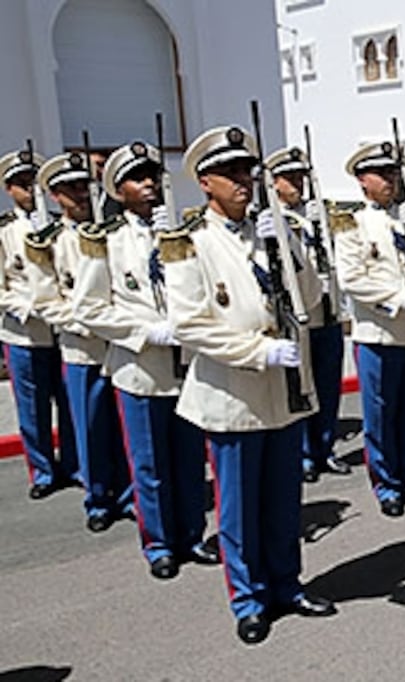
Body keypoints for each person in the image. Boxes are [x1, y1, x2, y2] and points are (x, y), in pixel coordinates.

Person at [162, 125, 336, 645]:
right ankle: (249, 598)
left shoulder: (274, 230)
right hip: (233, 394)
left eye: (247, 170)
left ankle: (287, 585)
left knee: (283, 500)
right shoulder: (186, 241)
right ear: (204, 182)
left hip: (283, 391)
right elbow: (189, 324)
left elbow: (306, 302)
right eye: (231, 173)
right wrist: (256, 351)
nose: (244, 180)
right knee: (238, 505)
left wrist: (286, 249)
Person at [74, 142, 216, 579]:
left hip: (187, 367)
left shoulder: (182, 234)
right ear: (118, 190)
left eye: (154, 175)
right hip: (142, 371)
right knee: (151, 464)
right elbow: (89, 308)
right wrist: (143, 332)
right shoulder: (107, 243)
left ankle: (192, 535)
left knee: (189, 460)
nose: (150, 184)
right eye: (138, 178)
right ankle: (159, 544)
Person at [334, 141, 405, 517]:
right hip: (380, 333)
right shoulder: (351, 222)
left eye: (393, 173)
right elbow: (351, 278)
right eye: (381, 174)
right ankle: (387, 485)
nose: (390, 180)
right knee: (382, 415)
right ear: (361, 181)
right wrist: (397, 297)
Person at [27, 152, 131, 530]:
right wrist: (86, 322)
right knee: (89, 428)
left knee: (121, 428)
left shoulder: (113, 232)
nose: (80, 194)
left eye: (83, 186)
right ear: (54, 195)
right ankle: (98, 499)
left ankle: (127, 493)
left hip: (120, 347)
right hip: (82, 347)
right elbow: (44, 302)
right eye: (70, 188)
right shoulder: (49, 241)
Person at [263, 146, 351, 483]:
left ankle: (323, 449)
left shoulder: (321, 214)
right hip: (298, 317)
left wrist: (321, 225)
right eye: (289, 178)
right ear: (273, 182)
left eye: (300, 176)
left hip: (327, 313)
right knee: (300, 388)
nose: (297, 183)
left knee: (328, 388)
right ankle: (301, 454)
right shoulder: (270, 220)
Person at [0, 149, 79, 499]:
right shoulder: (5, 230)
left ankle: (76, 464)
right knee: (33, 407)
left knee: (69, 404)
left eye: (33, 182)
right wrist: (27, 308)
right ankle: (43, 471)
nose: (29, 190)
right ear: (8, 189)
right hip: (24, 332)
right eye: (21, 184)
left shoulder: (62, 226)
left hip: (65, 332)